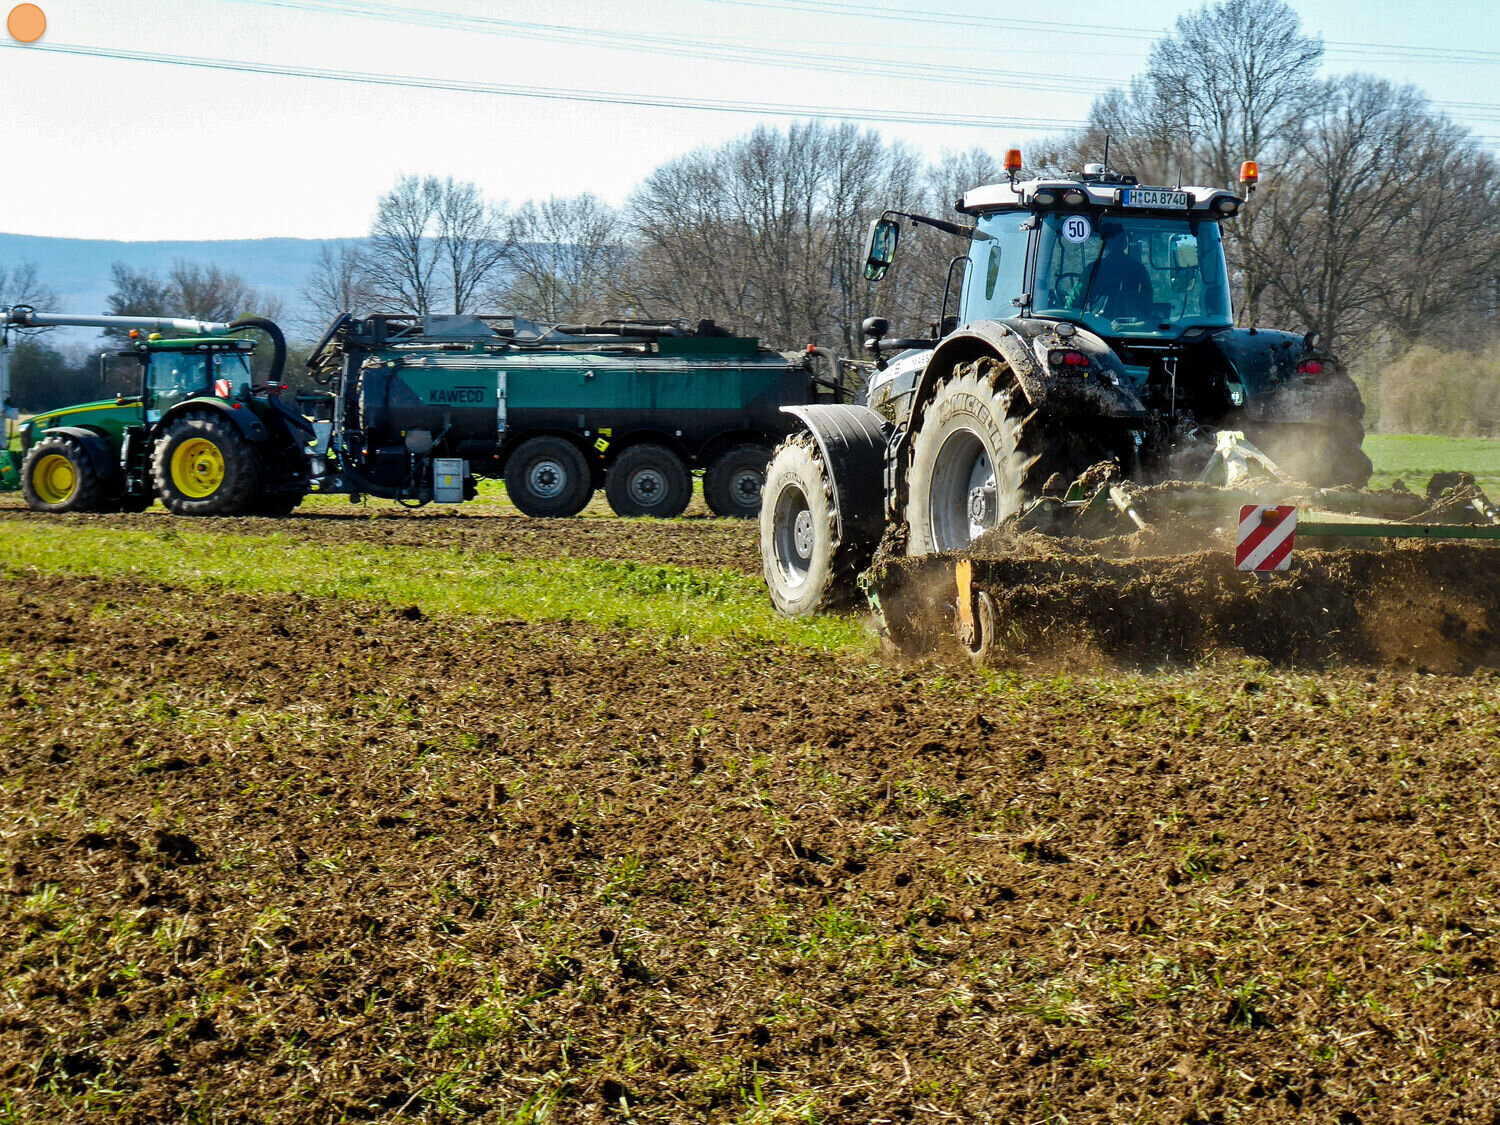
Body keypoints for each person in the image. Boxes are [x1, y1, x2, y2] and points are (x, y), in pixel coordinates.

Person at [1086, 234, 1154, 320]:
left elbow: (1077, 299)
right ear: (1124, 245)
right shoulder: (1139, 269)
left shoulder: (1093, 268)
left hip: (1094, 326)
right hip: (1132, 327)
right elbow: (1148, 301)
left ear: (1105, 245)